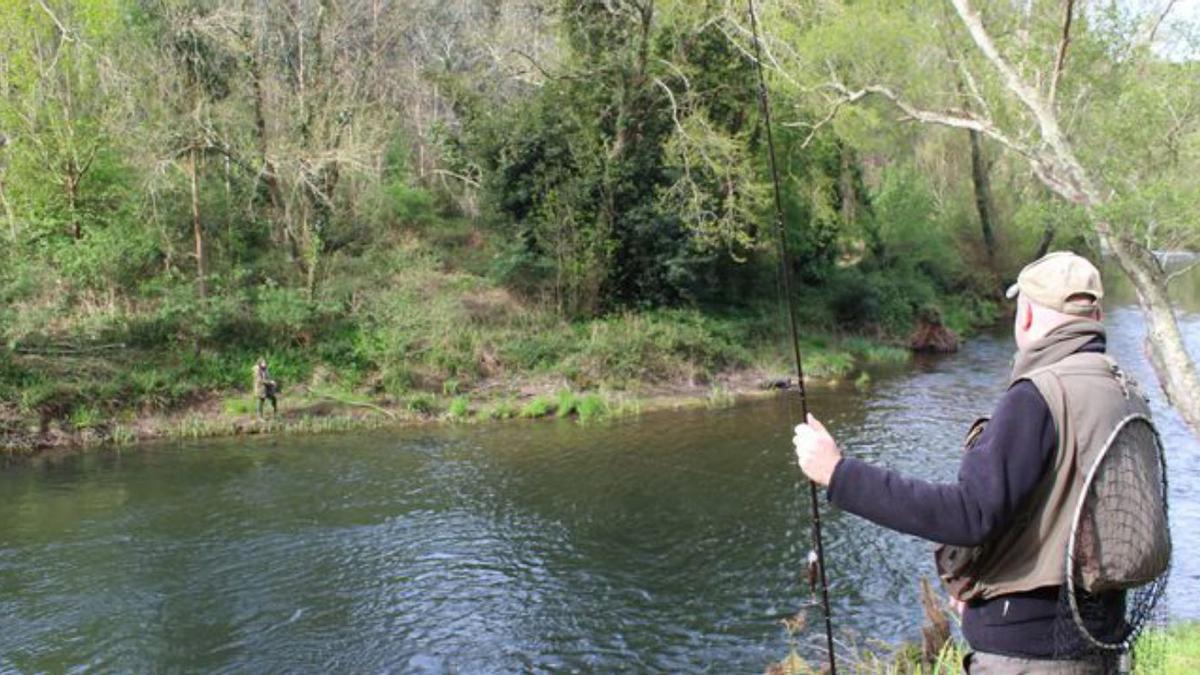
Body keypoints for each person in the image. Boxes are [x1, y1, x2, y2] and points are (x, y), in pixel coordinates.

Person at [793, 251, 1155, 674]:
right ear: (1093, 314)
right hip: (1102, 643)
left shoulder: (1037, 396)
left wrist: (839, 473)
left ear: (1027, 315)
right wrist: (987, 590)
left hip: (1031, 658)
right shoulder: (1126, 390)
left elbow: (969, 514)